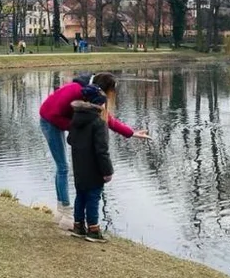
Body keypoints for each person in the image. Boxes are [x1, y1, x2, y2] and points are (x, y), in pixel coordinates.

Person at [39, 72, 149, 229]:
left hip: (60, 119)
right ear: (103, 89)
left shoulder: (92, 95)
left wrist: (131, 133)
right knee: (63, 167)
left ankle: (61, 212)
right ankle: (66, 214)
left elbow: (106, 118)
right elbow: (54, 113)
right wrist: (76, 128)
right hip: (49, 120)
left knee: (62, 167)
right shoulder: (75, 90)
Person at [66, 86, 113, 243]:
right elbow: (102, 151)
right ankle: (93, 230)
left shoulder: (76, 118)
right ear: (100, 104)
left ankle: (78, 226)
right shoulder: (99, 122)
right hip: (94, 168)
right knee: (93, 197)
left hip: (79, 167)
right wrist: (107, 171)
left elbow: (70, 140)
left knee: (81, 196)